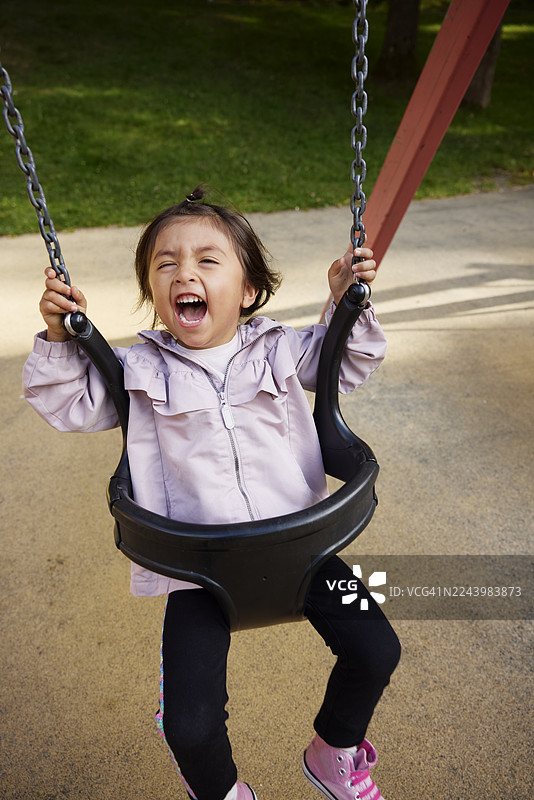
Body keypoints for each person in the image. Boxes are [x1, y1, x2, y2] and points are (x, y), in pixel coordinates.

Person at [23, 187, 401, 800]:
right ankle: (223, 791)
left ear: (248, 290)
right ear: (154, 294)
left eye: (206, 260)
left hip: (301, 550)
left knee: (378, 649)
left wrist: (346, 304)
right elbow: (68, 404)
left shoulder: (280, 349)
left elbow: (350, 361)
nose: (184, 273)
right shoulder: (138, 373)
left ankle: (334, 752)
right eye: (165, 264)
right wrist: (62, 338)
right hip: (198, 570)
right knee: (190, 727)